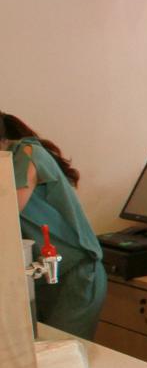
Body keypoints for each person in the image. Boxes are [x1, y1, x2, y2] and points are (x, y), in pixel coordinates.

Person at [2, 112, 105, 339]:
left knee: (62, 352)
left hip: (77, 274)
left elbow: (7, 211)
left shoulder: (27, 153)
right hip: (40, 280)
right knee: (37, 351)